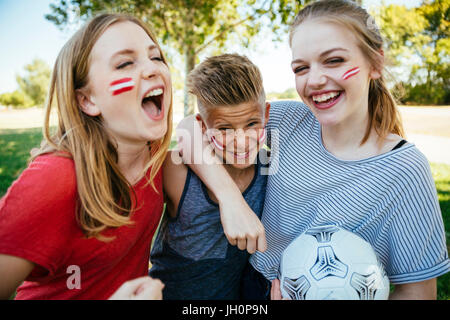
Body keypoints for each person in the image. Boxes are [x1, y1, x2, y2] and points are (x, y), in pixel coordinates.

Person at [178, 0, 450, 300]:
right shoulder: (291, 121)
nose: (315, 80)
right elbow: (190, 127)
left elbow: (419, 292)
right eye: (301, 68)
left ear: (375, 63)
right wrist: (231, 200)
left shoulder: (405, 169)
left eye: (334, 61)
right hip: (254, 286)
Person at [0, 13, 172, 300]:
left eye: (156, 57)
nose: (153, 69)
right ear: (88, 100)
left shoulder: (154, 158)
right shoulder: (53, 180)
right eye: (125, 63)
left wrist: (229, 199)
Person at [149, 54, 270, 299]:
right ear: (203, 127)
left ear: (266, 114)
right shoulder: (177, 172)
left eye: (251, 124)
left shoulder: (270, 172)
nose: (241, 141)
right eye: (224, 129)